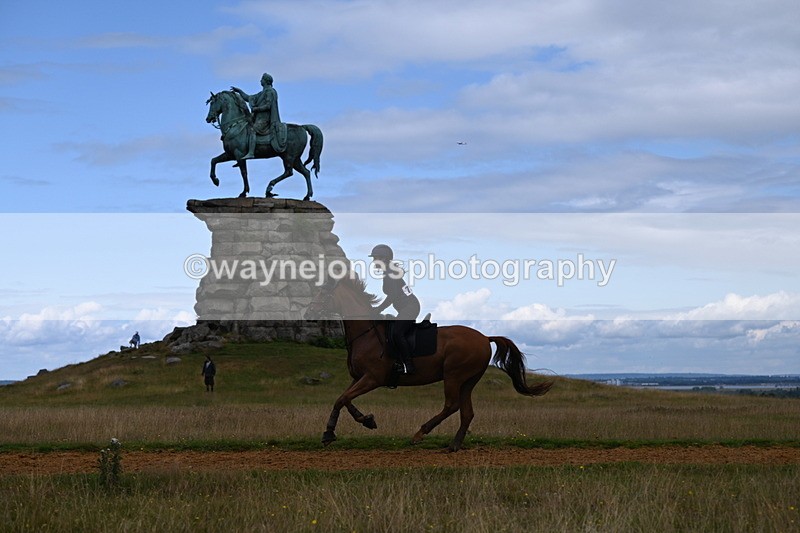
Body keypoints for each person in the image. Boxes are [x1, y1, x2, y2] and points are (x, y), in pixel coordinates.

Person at [370, 244, 420, 374]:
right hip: (406, 308)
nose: (373, 261)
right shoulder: (388, 272)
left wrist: (378, 309)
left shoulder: (390, 274)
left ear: (384, 258)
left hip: (410, 307)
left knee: (397, 333)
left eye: (375, 258)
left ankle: (408, 365)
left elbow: (392, 296)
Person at [230, 73, 287, 159]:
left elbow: (268, 106)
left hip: (265, 119)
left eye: (262, 79)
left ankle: (251, 152)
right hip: (258, 118)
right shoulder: (261, 93)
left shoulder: (270, 92)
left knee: (252, 130)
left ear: (266, 81)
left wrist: (256, 109)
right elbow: (248, 98)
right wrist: (239, 91)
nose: (260, 80)